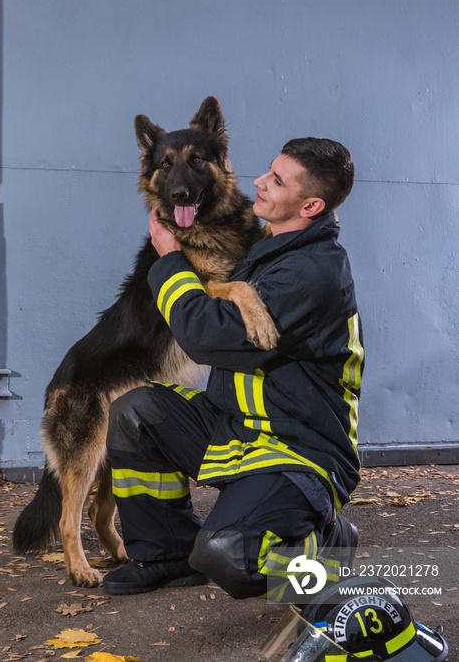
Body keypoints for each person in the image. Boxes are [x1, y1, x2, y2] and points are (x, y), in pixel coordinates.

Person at [103, 137, 364, 599]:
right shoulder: (273, 248)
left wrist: (169, 260)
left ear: (311, 205)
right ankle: (166, 553)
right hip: (236, 429)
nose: (259, 182)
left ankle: (328, 542)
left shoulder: (312, 273)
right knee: (136, 412)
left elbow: (206, 336)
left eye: (277, 181)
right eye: (269, 170)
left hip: (296, 449)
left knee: (229, 555)